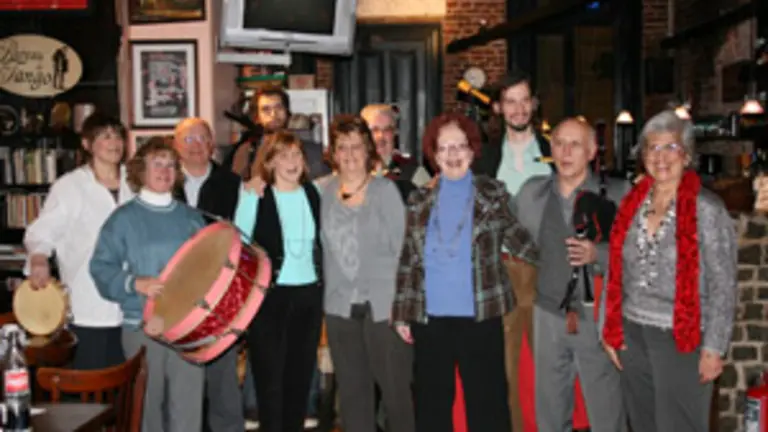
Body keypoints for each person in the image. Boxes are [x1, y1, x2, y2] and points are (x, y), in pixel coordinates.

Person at [392, 113, 538, 431]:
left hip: (480, 316)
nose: (453, 154)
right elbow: (409, 259)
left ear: (472, 151)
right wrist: (402, 313)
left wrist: (560, 259)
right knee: (431, 407)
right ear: (434, 155)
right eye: (444, 148)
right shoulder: (419, 200)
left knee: (488, 406)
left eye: (460, 146)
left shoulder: (493, 195)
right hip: (430, 320)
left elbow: (521, 241)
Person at [600, 110, 737, 432]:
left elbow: (724, 284)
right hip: (632, 333)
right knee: (643, 424)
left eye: (670, 147)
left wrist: (714, 347)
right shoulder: (631, 204)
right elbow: (615, 270)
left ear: (686, 155)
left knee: (681, 425)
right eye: (653, 148)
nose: (660, 157)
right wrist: (609, 329)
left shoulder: (708, 209)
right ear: (643, 155)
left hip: (682, 338)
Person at [515, 118, 628, 432]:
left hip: (597, 317)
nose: (565, 152)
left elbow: (637, 253)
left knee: (607, 414)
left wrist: (598, 255)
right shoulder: (531, 194)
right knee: (550, 414)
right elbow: (505, 232)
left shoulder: (616, 194)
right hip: (548, 314)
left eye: (575, 144)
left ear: (591, 151)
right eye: (559, 143)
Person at [90, 138, 206, 432]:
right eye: (157, 164)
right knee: (146, 412)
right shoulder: (123, 219)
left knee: (188, 411)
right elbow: (101, 268)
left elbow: (208, 271)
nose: (165, 171)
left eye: (170, 165)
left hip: (187, 328)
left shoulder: (192, 218)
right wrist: (134, 283)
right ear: (140, 171)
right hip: (141, 328)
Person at [469, 70, 555, 430]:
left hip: (547, 270)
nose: (519, 109)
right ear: (499, 108)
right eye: (510, 101)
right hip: (502, 269)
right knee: (505, 369)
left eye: (524, 100)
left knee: (550, 366)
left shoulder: (554, 150)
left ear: (533, 104)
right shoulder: (486, 158)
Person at [321, 115, 414, 432]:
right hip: (340, 309)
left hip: (384, 309)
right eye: (342, 147)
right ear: (333, 153)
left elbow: (405, 251)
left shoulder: (385, 191)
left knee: (397, 397)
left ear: (368, 150)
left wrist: (404, 310)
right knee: (352, 398)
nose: (349, 154)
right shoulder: (324, 192)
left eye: (356, 146)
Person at [24, 112, 132, 371]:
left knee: (129, 386)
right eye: (105, 136)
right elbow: (41, 234)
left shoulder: (136, 182)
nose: (114, 143)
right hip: (88, 307)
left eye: (118, 136)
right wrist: (39, 259)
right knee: (91, 386)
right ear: (87, 144)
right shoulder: (70, 186)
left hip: (133, 308)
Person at [233, 130, 323, 432]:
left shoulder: (313, 193)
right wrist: (249, 190)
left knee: (300, 380)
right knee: (270, 383)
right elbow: (240, 244)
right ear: (270, 162)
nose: (292, 161)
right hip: (270, 298)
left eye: (296, 154)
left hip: (309, 297)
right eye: (283, 156)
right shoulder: (255, 195)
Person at [172, 117, 244, 432]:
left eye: (202, 138)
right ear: (176, 146)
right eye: (188, 139)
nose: (196, 146)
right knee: (180, 381)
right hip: (175, 294)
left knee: (223, 378)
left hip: (220, 294)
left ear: (212, 144)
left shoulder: (232, 184)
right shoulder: (164, 182)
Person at [229, 85, 330, 181]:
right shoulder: (247, 152)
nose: (273, 114)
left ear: (287, 111)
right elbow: (236, 189)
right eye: (266, 109)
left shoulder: (311, 151)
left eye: (278, 107)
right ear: (257, 117)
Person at [360, 103, 431, 194]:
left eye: (387, 130)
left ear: (395, 133)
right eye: (374, 130)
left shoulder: (414, 173)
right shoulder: (351, 171)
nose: (380, 136)